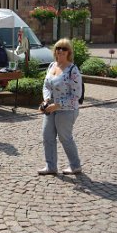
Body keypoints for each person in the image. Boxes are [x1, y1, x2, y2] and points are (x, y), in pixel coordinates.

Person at [38, 38, 83, 175]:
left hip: (67, 110)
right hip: (50, 108)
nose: (61, 51)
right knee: (47, 136)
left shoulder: (73, 70)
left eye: (64, 49)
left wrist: (57, 105)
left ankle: (75, 166)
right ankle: (51, 167)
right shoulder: (52, 66)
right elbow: (46, 85)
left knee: (65, 138)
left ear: (69, 52)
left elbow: (76, 95)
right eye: (58, 48)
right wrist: (46, 100)